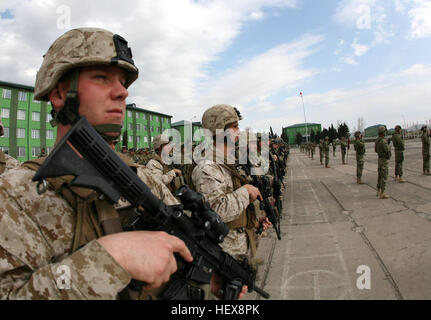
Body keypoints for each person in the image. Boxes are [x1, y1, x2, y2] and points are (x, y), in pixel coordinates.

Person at [0, 28, 241, 300]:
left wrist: (212, 284)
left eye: (124, 83)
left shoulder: (141, 179)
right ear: (58, 94)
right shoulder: (15, 195)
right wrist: (110, 259)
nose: (122, 93)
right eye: (102, 78)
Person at [192, 104, 271, 267]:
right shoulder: (207, 168)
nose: (239, 131)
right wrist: (246, 191)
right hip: (226, 254)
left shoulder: (229, 162)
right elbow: (216, 211)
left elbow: (235, 203)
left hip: (241, 245)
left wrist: (254, 219)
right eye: (234, 127)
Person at [375, 126, 391, 199]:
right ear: (383, 132)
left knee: (380, 175)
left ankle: (378, 190)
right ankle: (382, 193)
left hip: (380, 159)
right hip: (384, 160)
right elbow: (387, 149)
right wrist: (389, 144)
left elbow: (376, 150)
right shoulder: (383, 141)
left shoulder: (377, 140)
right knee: (384, 176)